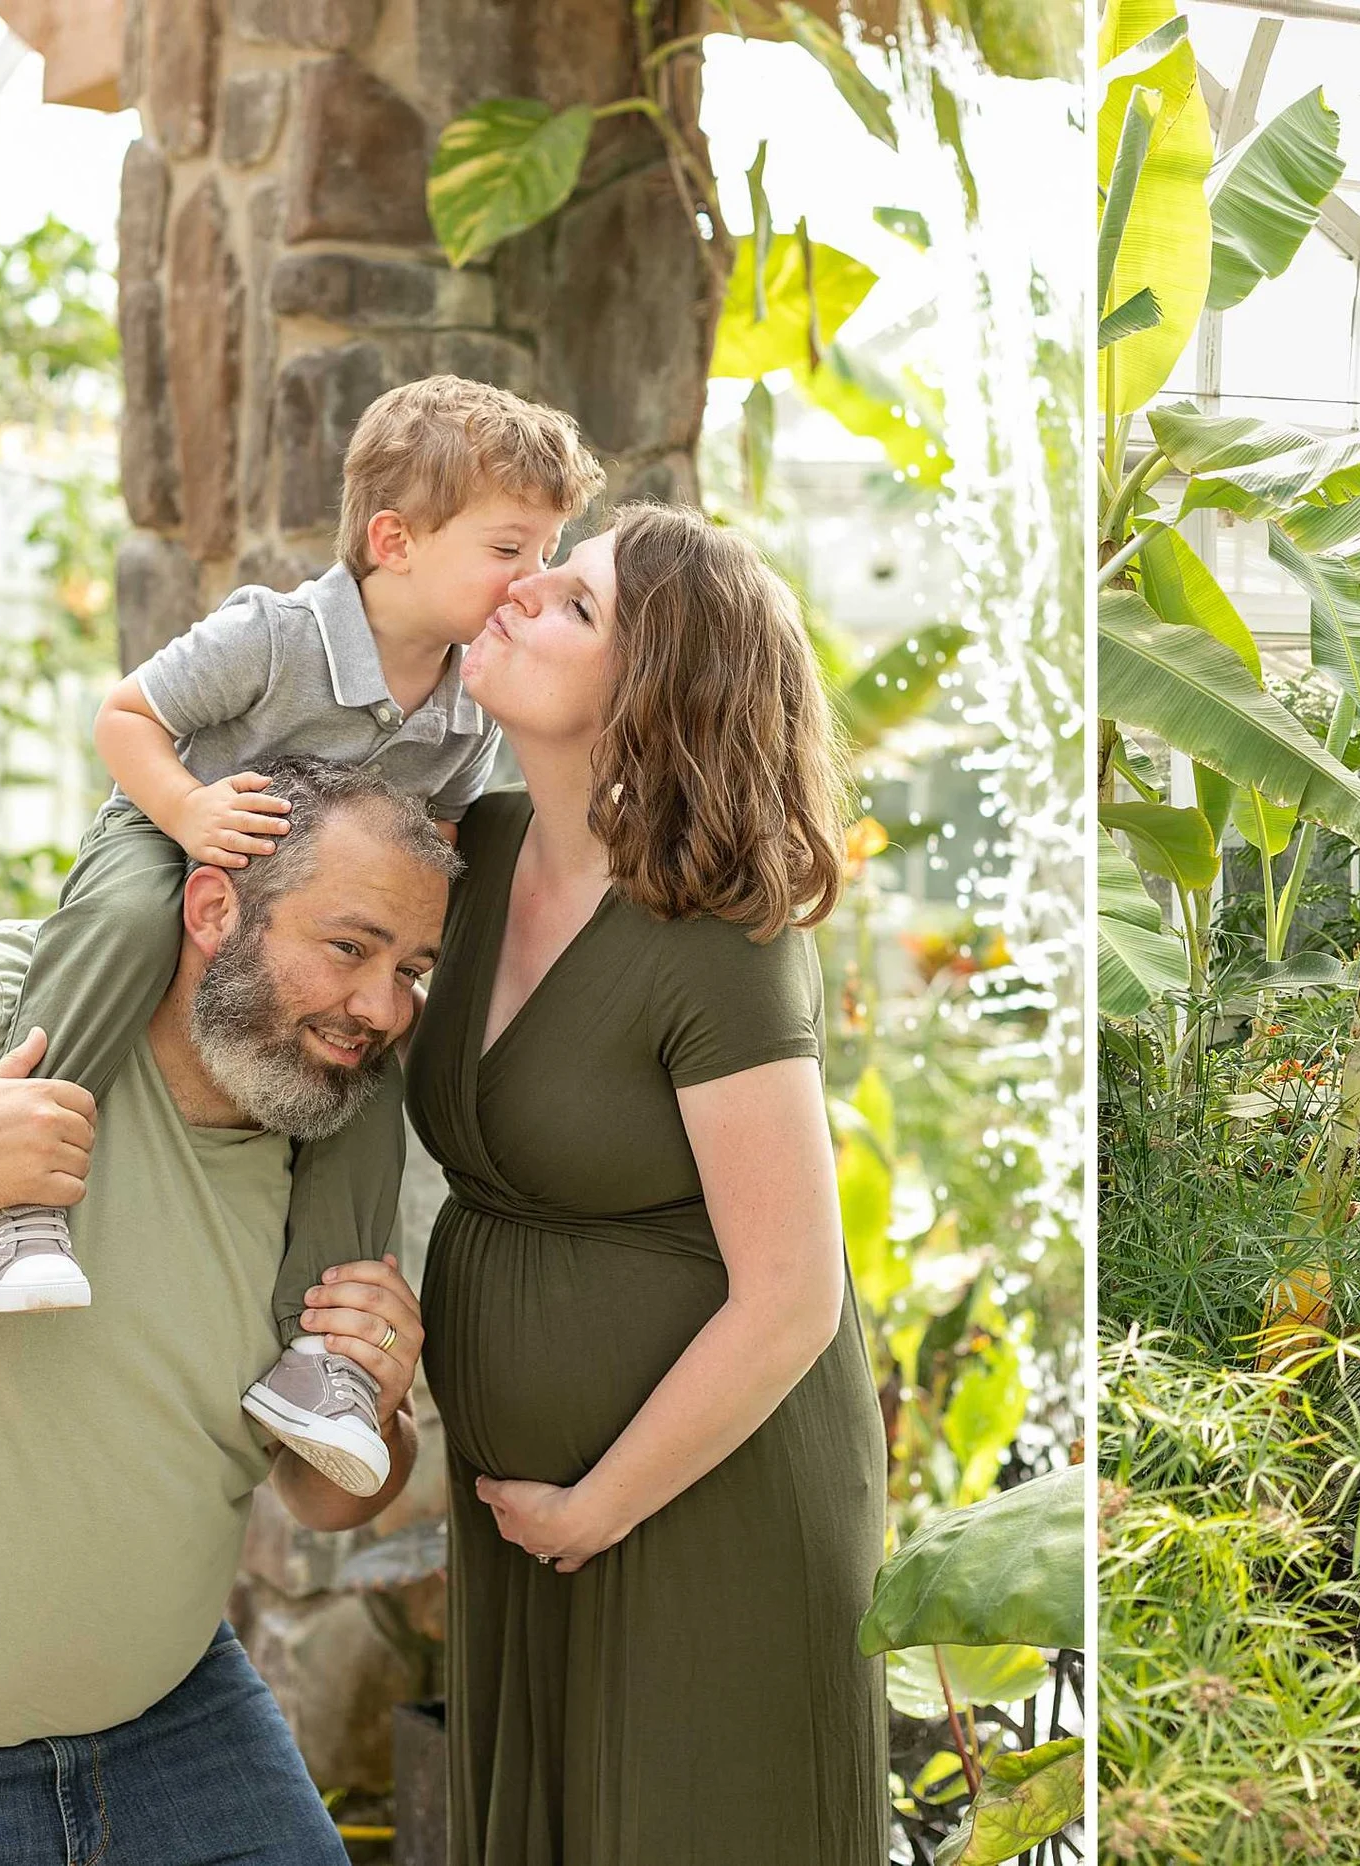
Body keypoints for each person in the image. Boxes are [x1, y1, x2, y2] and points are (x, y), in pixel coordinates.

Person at [0, 374, 601, 1499]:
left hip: (315, 898)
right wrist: (189, 814)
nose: (534, 580)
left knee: (368, 1070)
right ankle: (18, 1190)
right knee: (116, 924)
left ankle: (323, 1353)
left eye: (550, 551)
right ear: (395, 540)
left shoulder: (465, 707)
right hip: (182, 834)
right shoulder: (277, 633)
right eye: (511, 547)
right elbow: (126, 716)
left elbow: (434, 831)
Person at [0, 760, 449, 1863]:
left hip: (174, 1726)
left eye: (412, 969)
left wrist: (385, 1409)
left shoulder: (321, 1145)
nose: (381, 1007)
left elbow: (320, 1502)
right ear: (215, 908)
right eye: (349, 949)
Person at [411, 502, 888, 1863]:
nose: (524, 590)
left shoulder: (714, 938)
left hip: (702, 1502)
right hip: (539, 1514)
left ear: (653, 700)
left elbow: (794, 1293)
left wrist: (598, 1502)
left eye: (577, 605)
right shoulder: (481, 849)